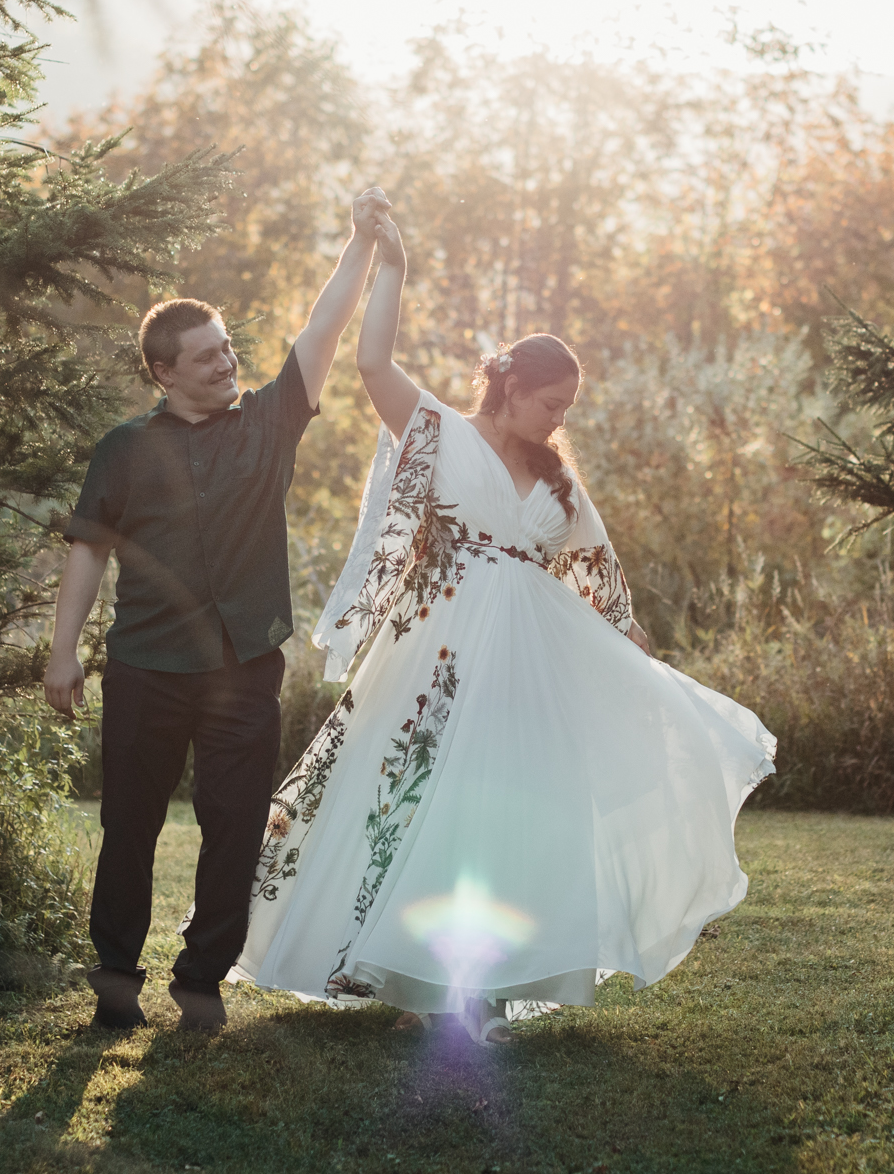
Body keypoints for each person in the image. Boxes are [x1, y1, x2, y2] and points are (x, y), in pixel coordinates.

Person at [232, 209, 776, 1044]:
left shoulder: (561, 485)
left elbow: (603, 587)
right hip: (437, 656)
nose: (559, 420)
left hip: (530, 671)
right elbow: (372, 361)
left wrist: (645, 676)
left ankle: (480, 989)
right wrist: (393, 269)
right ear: (510, 386)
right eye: (550, 403)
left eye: (568, 408)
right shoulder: (440, 433)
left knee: (507, 814)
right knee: (415, 798)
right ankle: (397, 967)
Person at [45, 187, 390, 1034]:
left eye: (227, 349)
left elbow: (324, 331)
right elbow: (87, 549)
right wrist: (63, 654)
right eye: (205, 357)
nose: (224, 364)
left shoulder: (268, 425)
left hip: (244, 672)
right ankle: (115, 983)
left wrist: (359, 246)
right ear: (162, 371)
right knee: (127, 828)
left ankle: (202, 984)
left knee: (235, 834)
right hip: (144, 669)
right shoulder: (124, 450)